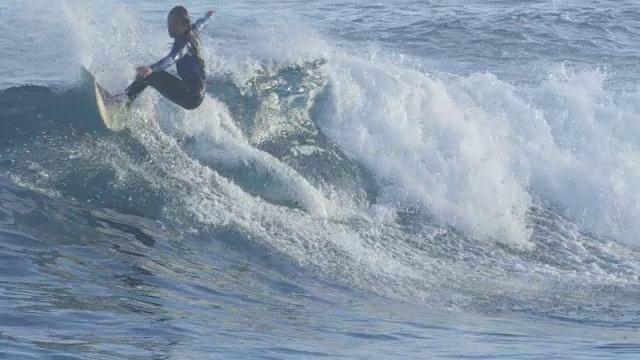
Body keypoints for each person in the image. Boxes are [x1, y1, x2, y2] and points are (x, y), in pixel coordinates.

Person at [123, 7, 214, 110]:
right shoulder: (192, 29)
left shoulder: (184, 43)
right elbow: (201, 22)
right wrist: (208, 15)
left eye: (173, 24)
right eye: (168, 23)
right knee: (148, 76)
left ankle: (121, 102)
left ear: (184, 25)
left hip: (191, 95)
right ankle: (125, 103)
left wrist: (152, 68)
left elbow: (172, 58)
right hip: (196, 94)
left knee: (151, 75)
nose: (169, 27)